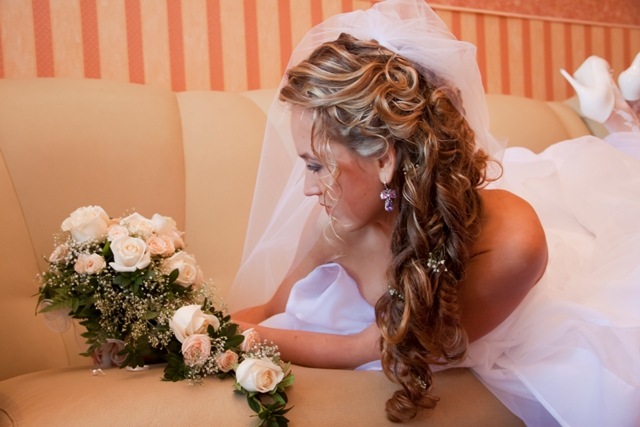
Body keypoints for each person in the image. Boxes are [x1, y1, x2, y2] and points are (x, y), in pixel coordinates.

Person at [229, 0, 640, 425]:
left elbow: (366, 349)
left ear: (384, 160)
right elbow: (271, 308)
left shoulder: (514, 243)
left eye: (316, 165)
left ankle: (623, 120)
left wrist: (242, 339)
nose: (307, 188)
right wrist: (203, 329)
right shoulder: (336, 222)